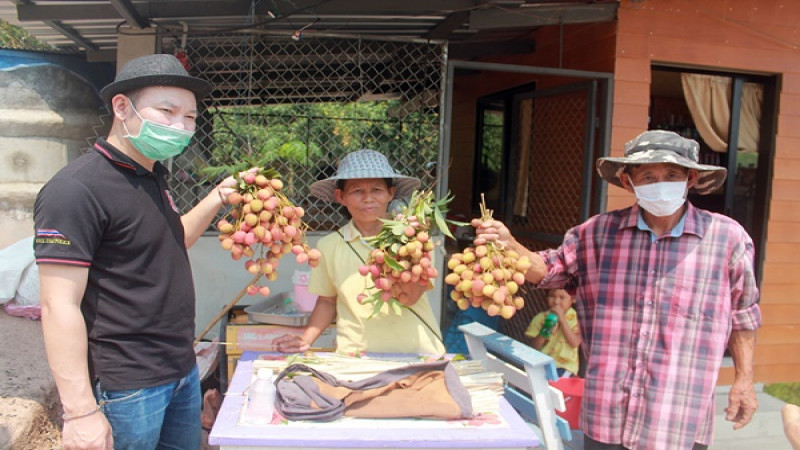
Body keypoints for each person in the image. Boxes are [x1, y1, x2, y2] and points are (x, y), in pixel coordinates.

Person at [475, 130, 761, 449]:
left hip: (678, 416)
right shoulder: (597, 233)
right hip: (607, 415)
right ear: (628, 182)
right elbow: (547, 269)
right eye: (648, 176)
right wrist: (509, 243)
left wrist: (744, 380)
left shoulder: (726, 239)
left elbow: (743, 316)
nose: (660, 183)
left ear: (690, 179)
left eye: (671, 175)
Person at [34, 54, 240, 450]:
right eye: (167, 111)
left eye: (190, 117)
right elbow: (57, 304)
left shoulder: (150, 176)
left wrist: (217, 197)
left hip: (179, 370)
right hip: (127, 386)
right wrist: (80, 411)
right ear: (122, 107)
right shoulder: (75, 190)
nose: (180, 126)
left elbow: (172, 239)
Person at [273, 150, 445, 356]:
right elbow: (327, 300)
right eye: (357, 191)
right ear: (341, 196)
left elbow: (409, 298)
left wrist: (401, 252)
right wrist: (305, 338)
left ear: (390, 193)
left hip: (416, 353)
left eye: (377, 190)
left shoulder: (415, 240)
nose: (368, 198)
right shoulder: (328, 246)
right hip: (355, 356)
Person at [525, 288, 581, 378]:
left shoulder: (577, 319)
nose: (556, 302)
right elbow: (534, 347)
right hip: (541, 364)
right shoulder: (540, 318)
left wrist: (562, 319)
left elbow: (575, 343)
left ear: (573, 299)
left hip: (565, 366)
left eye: (562, 298)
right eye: (552, 296)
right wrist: (546, 329)